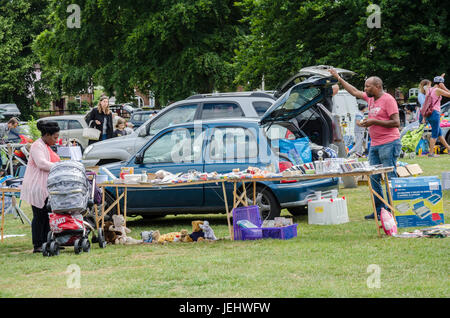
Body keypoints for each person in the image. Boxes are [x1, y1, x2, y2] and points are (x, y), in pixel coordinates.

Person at [329, 68, 401, 220]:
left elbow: (396, 123)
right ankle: (380, 210)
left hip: (389, 143)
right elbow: (354, 91)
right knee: (373, 177)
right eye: (365, 86)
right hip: (374, 144)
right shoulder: (370, 99)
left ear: (378, 86)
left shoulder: (388, 100)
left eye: (368, 86)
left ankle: (393, 209)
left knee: (389, 176)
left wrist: (374, 121)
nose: (365, 89)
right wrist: (338, 78)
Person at [20, 121, 61, 253]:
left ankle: (48, 241)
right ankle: (38, 244)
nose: (57, 140)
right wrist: (59, 166)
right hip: (37, 186)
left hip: (46, 186)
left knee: (48, 215)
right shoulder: (37, 146)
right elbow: (42, 164)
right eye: (55, 137)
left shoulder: (46, 146)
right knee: (39, 216)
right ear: (47, 135)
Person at [421, 76, 450, 157]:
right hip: (435, 113)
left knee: (439, 133)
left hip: (428, 114)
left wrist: (423, 117)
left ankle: (448, 148)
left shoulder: (429, 90)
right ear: (441, 84)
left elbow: (425, 104)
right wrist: (444, 87)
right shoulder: (438, 90)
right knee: (435, 133)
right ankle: (431, 153)